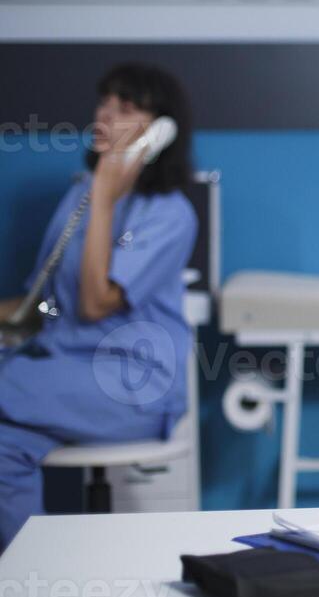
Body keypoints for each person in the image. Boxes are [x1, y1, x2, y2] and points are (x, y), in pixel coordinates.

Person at [0, 63, 198, 551]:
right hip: (61, 370)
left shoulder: (170, 213)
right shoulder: (77, 197)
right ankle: (33, 586)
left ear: (160, 130)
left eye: (125, 108)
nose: (103, 115)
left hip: (129, 382)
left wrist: (106, 198)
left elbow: (92, 306)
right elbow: (43, 305)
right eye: (103, 103)